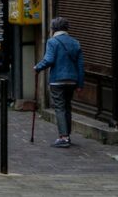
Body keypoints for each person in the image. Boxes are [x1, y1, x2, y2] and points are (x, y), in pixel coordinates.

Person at [34, 16, 85, 148]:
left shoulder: (52, 42)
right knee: (67, 106)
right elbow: (80, 65)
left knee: (60, 107)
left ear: (53, 29)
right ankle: (67, 134)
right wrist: (80, 84)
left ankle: (63, 137)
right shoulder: (75, 42)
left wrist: (37, 67)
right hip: (72, 80)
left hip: (57, 80)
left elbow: (49, 59)